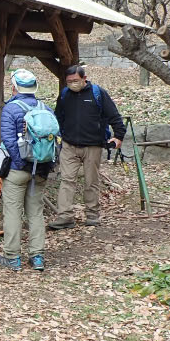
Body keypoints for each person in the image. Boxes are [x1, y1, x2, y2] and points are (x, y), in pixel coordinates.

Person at [52, 64, 125, 228]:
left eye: (75, 80)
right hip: (69, 145)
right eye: (69, 81)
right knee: (66, 181)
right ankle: (65, 217)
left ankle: (92, 215)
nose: (72, 84)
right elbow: (58, 116)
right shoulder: (64, 95)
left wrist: (118, 136)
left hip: (93, 146)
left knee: (91, 181)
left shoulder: (98, 94)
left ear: (84, 78)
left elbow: (114, 116)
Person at [0, 69, 55, 272]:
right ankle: (37, 256)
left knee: (13, 212)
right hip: (40, 168)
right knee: (36, 212)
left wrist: (20, 163)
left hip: (17, 170)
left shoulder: (11, 109)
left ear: (14, 87)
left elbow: (9, 141)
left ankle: (12, 257)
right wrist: (46, 166)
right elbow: (55, 141)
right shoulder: (45, 108)